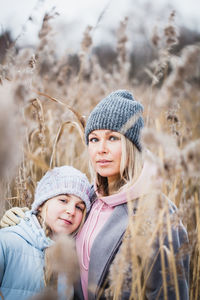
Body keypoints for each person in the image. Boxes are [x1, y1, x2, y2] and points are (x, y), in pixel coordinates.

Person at [1, 90, 189, 300]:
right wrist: (24, 220)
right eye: (94, 139)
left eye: (112, 138)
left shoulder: (158, 214)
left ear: (132, 144)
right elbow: (54, 226)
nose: (101, 149)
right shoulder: (87, 200)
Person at [0, 165, 92, 300]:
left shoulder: (73, 257)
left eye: (79, 207)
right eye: (63, 200)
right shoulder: (7, 241)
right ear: (41, 203)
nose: (71, 211)